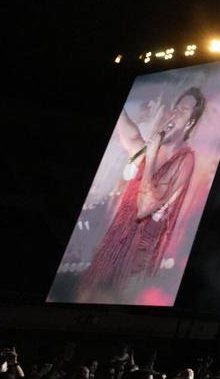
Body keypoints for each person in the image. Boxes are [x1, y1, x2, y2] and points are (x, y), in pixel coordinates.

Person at [78, 88, 205, 301]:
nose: (175, 113)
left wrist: (152, 155)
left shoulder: (184, 159)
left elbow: (146, 206)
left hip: (137, 250)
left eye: (183, 110)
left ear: (190, 122)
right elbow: (133, 138)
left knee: (109, 301)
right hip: (117, 238)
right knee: (87, 293)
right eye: (176, 107)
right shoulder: (156, 148)